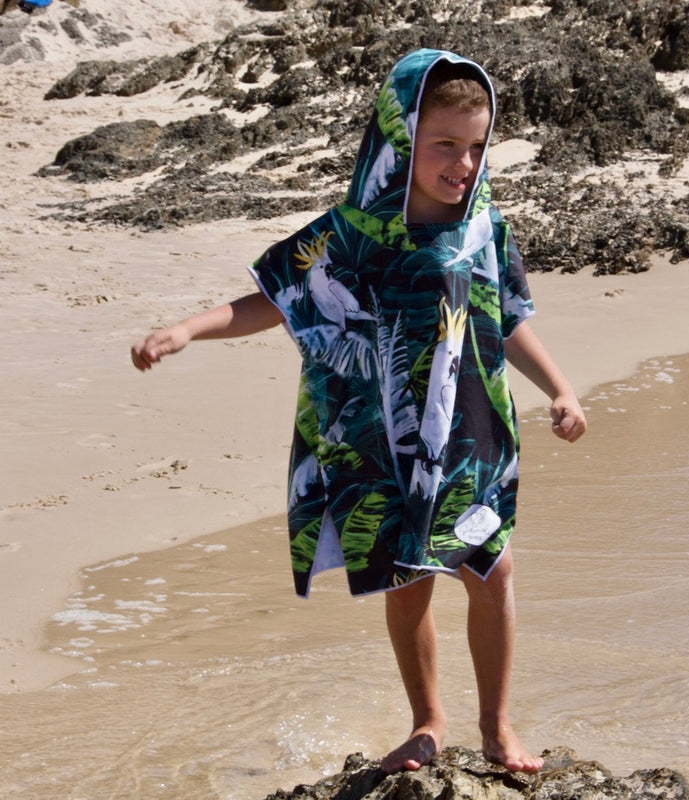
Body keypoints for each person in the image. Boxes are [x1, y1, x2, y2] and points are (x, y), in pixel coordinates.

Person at [132, 49, 586, 775]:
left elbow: (511, 315)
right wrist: (188, 328)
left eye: (475, 147)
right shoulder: (351, 231)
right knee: (406, 584)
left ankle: (498, 729)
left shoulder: (484, 227)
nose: (462, 164)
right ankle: (427, 721)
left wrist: (559, 387)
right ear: (400, 140)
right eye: (444, 145)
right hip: (384, 437)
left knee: (492, 573)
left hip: (471, 433)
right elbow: (277, 297)